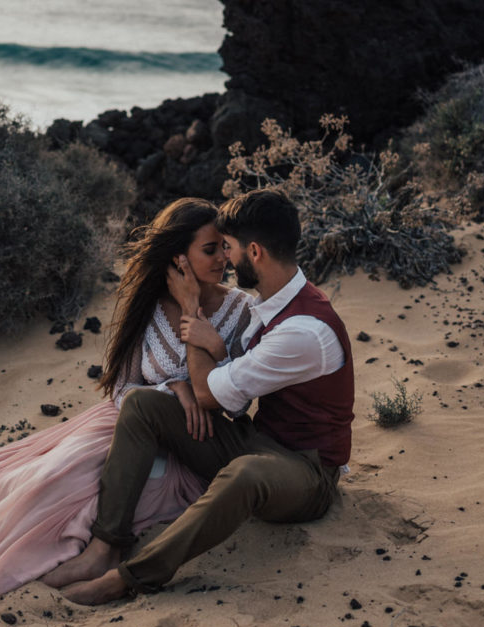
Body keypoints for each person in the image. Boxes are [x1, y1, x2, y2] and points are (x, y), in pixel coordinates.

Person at [0, 198, 253, 627]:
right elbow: (122, 388)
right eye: (210, 250)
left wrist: (210, 344)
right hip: (120, 422)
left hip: (186, 445)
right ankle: (54, 545)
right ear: (179, 257)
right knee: (37, 478)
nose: (223, 259)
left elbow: (236, 404)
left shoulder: (241, 311)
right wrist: (171, 388)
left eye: (223, 248)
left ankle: (100, 550)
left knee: (77, 487)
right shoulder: (151, 306)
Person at [44, 188, 355, 605]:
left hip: (307, 472)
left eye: (228, 247)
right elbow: (195, 393)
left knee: (244, 473)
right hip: (258, 441)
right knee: (141, 404)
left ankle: (131, 577)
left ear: (255, 252)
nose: (226, 258)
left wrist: (191, 312)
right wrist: (179, 381)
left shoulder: (303, 332)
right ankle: (106, 546)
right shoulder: (273, 306)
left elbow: (210, 394)